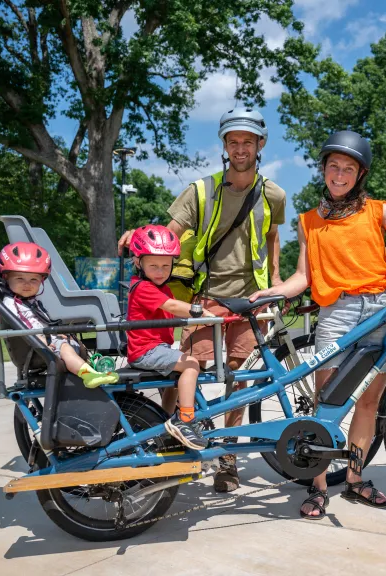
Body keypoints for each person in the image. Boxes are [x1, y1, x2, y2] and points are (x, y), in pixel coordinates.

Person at [249, 131, 386, 520]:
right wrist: (274, 291)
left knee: (368, 400)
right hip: (336, 312)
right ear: (323, 170)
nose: (339, 174)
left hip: (379, 310)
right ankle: (318, 489)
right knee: (325, 402)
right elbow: (304, 276)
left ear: (359, 174)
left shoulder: (378, 210)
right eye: (333, 166)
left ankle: (354, 478)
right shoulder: (309, 222)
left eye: (348, 168)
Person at [119, 108, 287, 492]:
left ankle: (227, 459)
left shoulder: (273, 193)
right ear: (224, 146)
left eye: (247, 141)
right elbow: (168, 233)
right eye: (233, 141)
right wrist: (140, 233)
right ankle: (163, 442)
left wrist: (275, 278)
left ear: (261, 144)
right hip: (206, 296)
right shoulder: (201, 190)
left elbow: (273, 235)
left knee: (239, 379)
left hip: (251, 300)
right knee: (179, 370)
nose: (240, 148)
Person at [127, 225, 213, 450]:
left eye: (166, 265)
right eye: (153, 265)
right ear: (139, 263)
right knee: (191, 364)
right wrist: (200, 311)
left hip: (155, 348)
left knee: (177, 376)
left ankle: (163, 420)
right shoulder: (142, 287)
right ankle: (184, 419)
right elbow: (172, 306)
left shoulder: (163, 288)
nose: (160, 271)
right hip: (145, 351)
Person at [0, 242, 119, 388]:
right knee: (65, 348)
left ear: (41, 281)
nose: (27, 284)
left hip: (44, 339)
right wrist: (46, 339)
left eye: (33, 280)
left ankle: (90, 369)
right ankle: (89, 376)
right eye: (20, 278)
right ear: (6, 277)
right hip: (36, 347)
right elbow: (25, 327)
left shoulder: (29, 301)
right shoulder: (11, 304)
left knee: (72, 339)